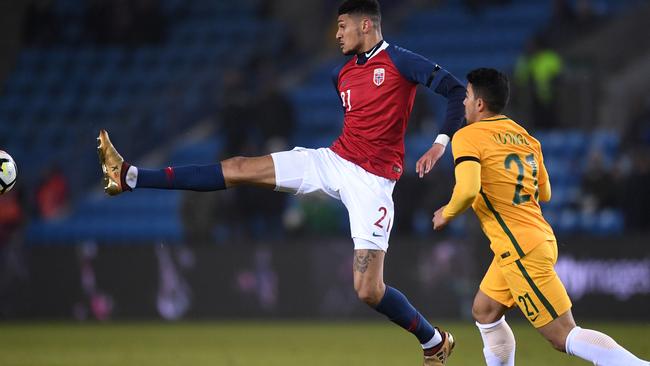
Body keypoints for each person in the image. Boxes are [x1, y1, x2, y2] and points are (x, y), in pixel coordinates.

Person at [98, 1, 465, 364]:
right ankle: (130, 176)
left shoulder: (400, 61)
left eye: (342, 26)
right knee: (240, 166)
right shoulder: (342, 75)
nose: (336, 33)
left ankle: (433, 341)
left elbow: (454, 91)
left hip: (374, 183)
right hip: (333, 161)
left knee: (367, 290)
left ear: (365, 24)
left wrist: (439, 144)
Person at [432, 68, 650, 366]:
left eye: (467, 97)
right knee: (485, 311)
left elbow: (468, 190)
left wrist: (447, 213)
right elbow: (544, 191)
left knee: (564, 335)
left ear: (480, 104)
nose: (464, 103)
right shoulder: (526, 138)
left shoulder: (467, 136)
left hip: (520, 247)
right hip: (535, 238)